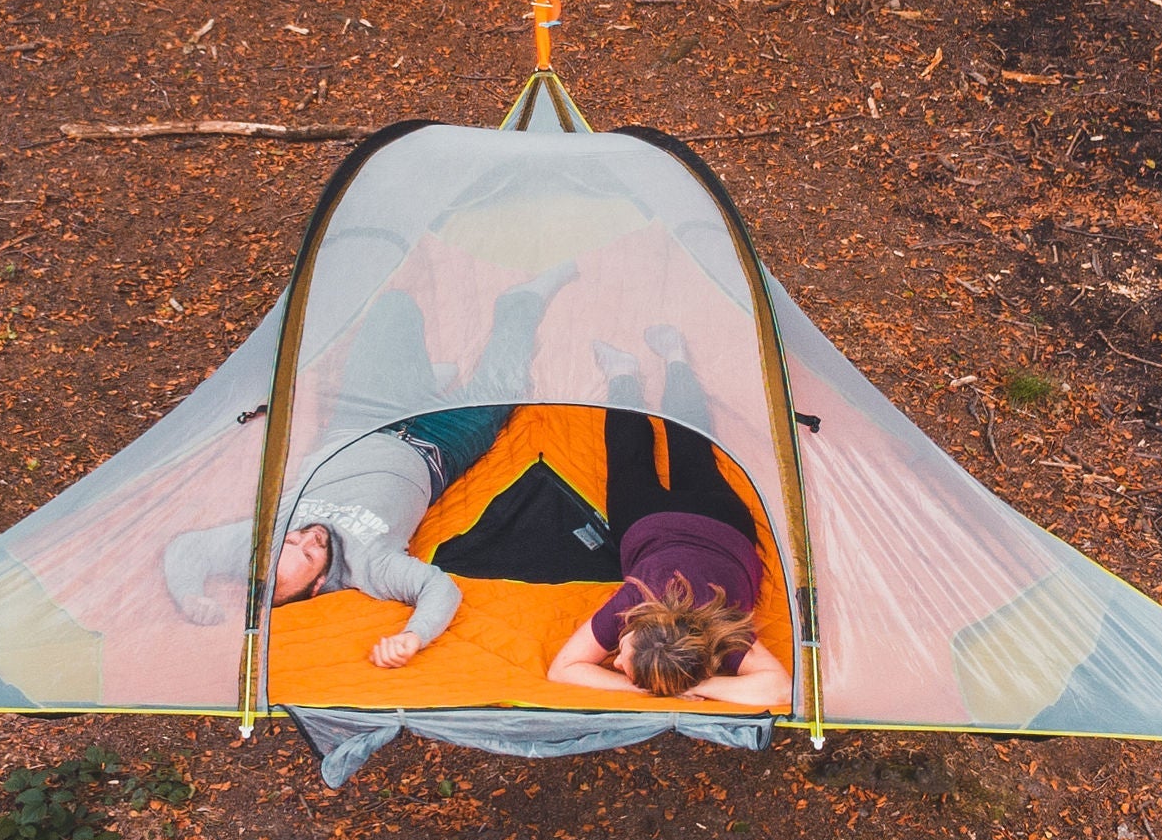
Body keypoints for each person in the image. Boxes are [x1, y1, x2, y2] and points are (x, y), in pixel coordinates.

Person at [162, 265, 572, 665]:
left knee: (394, 308)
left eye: (292, 542)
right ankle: (522, 303)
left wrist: (189, 595)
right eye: (309, 555)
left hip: (361, 421)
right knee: (503, 389)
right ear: (320, 582)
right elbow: (438, 588)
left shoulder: (265, 542)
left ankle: (423, 385)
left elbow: (188, 547)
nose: (307, 538)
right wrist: (414, 635)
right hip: (436, 444)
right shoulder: (369, 565)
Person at [546, 399, 790, 710]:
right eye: (627, 661)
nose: (617, 662)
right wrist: (668, 687)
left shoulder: (717, 625)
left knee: (687, 450)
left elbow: (562, 670)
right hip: (672, 522)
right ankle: (638, 374)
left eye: (621, 657)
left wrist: (667, 687)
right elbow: (780, 690)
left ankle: (667, 366)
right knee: (638, 458)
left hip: (718, 522)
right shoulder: (639, 600)